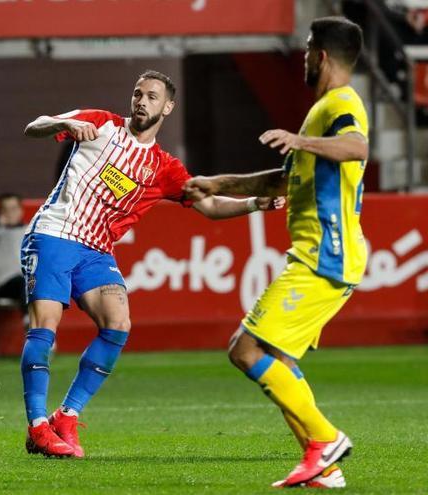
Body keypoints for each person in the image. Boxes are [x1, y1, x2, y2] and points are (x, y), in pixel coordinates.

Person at [18, 70, 285, 459]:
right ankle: (38, 426)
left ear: (168, 106)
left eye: (152, 96)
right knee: (45, 327)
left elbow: (208, 205)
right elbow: (33, 127)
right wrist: (65, 122)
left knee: (118, 324)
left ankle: (67, 417)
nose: (142, 101)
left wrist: (253, 204)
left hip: (95, 250)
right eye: (138, 93)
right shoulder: (101, 123)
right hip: (55, 234)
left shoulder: (163, 168)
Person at [185, 17, 368, 489]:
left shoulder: (341, 104)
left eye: (307, 49)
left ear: (321, 56)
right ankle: (323, 468)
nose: (303, 57)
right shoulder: (320, 113)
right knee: (278, 358)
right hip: (318, 255)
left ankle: (325, 439)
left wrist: (302, 139)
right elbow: (281, 180)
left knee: (244, 349)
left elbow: (357, 146)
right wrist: (218, 183)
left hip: (325, 255)